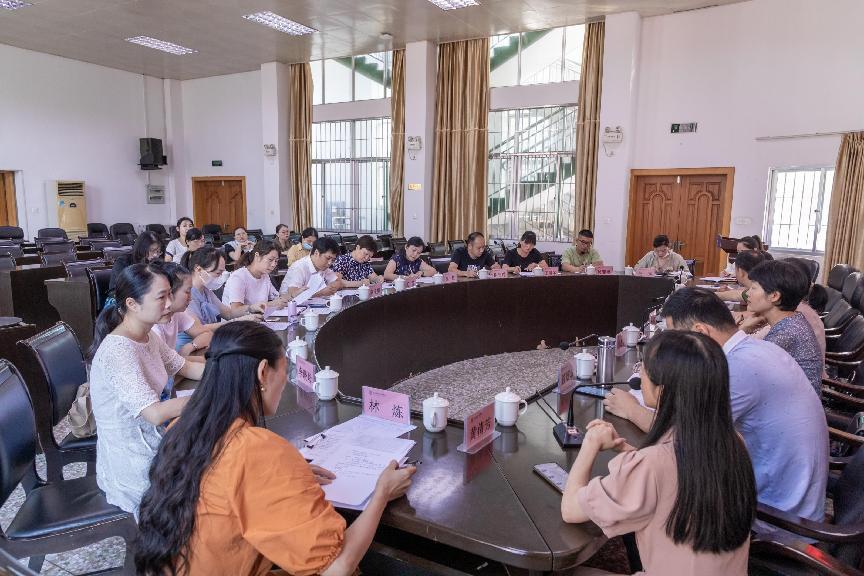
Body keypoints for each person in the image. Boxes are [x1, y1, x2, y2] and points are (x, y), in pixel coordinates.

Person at [135, 321, 416, 575]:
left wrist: (281, 475)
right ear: (262, 372)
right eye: (285, 370)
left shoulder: (181, 426)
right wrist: (382, 493)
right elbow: (337, 568)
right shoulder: (256, 450)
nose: (285, 381)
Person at [606, 287, 827, 521]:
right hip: (784, 489)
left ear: (700, 332)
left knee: (649, 488)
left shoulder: (737, 368)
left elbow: (683, 437)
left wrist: (631, 409)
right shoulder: (756, 349)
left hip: (774, 513)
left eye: (674, 338)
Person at [561, 331, 756, 575]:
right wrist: (630, 453)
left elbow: (570, 509)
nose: (639, 374)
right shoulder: (733, 441)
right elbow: (678, 478)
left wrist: (590, 443)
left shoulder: (652, 465)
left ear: (661, 391)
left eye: (643, 368)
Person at [88, 263, 205, 517]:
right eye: (162, 297)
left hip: (157, 439)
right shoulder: (119, 351)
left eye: (170, 294)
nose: (170, 303)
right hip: (133, 462)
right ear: (132, 304)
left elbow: (184, 366)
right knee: (210, 481)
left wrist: (230, 373)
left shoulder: (149, 336)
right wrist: (211, 395)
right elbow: (154, 413)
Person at [745, 260, 824, 393]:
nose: (747, 293)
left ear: (774, 296)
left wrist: (742, 329)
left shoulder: (788, 332)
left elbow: (742, 367)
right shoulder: (793, 320)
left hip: (794, 404)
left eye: (753, 288)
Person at [181, 247, 263, 328]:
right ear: (198, 269)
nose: (220, 277)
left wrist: (250, 308)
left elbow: (228, 313)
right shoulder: (187, 294)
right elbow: (199, 329)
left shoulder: (205, 291)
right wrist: (239, 320)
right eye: (218, 273)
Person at [152, 262, 214, 357]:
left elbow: (206, 333)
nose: (191, 298)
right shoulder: (154, 327)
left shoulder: (177, 314)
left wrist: (191, 346)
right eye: (187, 292)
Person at [222, 240, 288, 315]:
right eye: (270, 260)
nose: (273, 265)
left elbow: (276, 298)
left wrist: (283, 300)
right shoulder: (238, 277)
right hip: (239, 321)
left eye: (276, 261)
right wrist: (270, 304)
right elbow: (235, 310)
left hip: (258, 318)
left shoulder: (265, 275)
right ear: (257, 256)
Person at [108, 231, 163, 297]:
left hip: (145, 295)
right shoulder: (123, 261)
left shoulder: (156, 261)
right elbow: (124, 287)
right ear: (142, 248)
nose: (155, 255)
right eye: (152, 250)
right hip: (119, 296)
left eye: (158, 251)